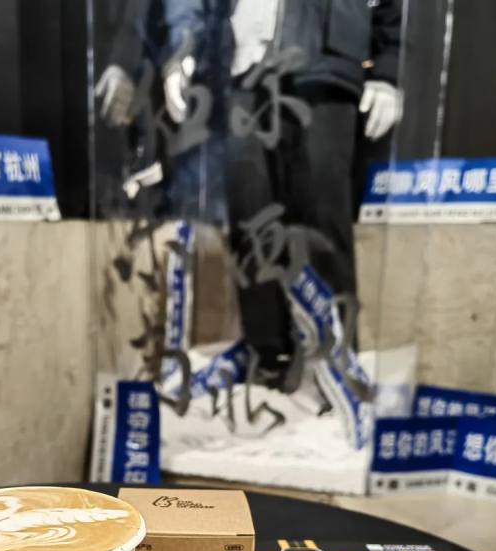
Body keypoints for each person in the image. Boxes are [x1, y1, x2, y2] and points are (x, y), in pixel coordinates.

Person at [160, 0, 403, 385]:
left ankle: (334, 367)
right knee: (249, 216)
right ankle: (268, 358)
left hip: (324, 64)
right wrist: (181, 49)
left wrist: (389, 70)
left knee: (322, 220)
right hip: (240, 68)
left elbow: (393, 7)